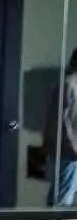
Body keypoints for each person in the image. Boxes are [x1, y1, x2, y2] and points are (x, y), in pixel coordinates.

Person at [44, 48, 77, 206]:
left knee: (65, 194)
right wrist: (74, 148)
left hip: (69, 150)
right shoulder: (68, 86)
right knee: (62, 199)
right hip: (67, 151)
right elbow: (62, 122)